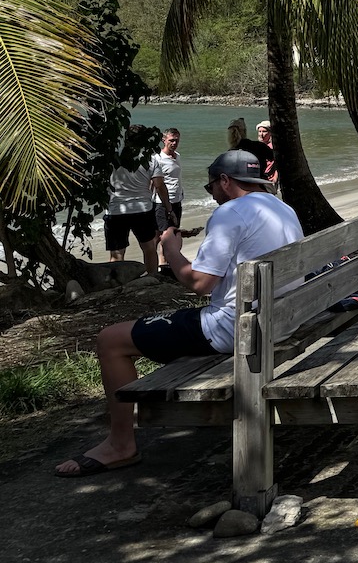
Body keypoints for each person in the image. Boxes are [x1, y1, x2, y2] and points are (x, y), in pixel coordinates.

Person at [55, 149, 301, 479]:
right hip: (281, 319)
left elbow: (198, 283)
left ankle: (120, 445)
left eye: (211, 187)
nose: (212, 195)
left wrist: (170, 250)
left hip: (234, 328)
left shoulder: (230, 213)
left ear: (225, 182)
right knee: (163, 327)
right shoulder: (282, 208)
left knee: (110, 339)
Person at [104, 126, 159, 271]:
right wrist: (168, 207)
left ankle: (116, 284)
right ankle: (153, 278)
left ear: (126, 138)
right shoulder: (150, 159)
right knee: (149, 248)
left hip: (116, 209)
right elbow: (159, 185)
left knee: (117, 254)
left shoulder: (114, 158)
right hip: (142, 209)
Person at [150, 129, 186, 274]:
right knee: (160, 235)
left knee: (172, 233)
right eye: (171, 140)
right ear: (164, 140)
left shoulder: (177, 156)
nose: (174, 143)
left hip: (177, 200)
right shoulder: (157, 158)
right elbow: (154, 183)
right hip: (161, 202)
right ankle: (157, 265)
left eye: (177, 140)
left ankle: (166, 265)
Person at [255, 120, 279, 187]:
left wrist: (275, 177)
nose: (261, 134)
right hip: (258, 178)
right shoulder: (257, 146)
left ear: (270, 133)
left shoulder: (273, 147)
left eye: (264, 131)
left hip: (269, 179)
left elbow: (279, 164)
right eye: (260, 131)